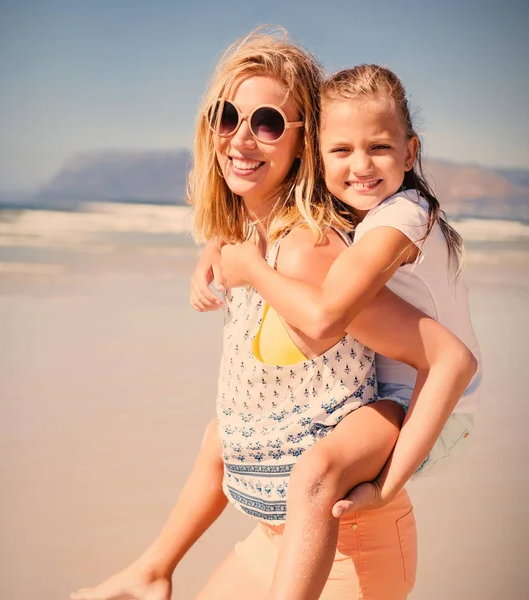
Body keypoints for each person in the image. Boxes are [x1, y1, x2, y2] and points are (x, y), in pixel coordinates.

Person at [71, 29, 476, 600]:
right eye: (226, 116)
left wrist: (386, 486)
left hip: (347, 547)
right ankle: (154, 568)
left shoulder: (310, 250)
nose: (241, 138)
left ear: (303, 144)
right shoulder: (252, 239)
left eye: (266, 123)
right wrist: (223, 249)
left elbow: (440, 355)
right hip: (274, 539)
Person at [193, 62, 482, 597]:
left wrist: (388, 483)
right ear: (318, 155)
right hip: (402, 397)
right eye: (342, 151)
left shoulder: (398, 221)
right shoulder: (364, 212)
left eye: (379, 148)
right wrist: (218, 248)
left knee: (315, 472)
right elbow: (254, 224)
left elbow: (328, 315)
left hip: (432, 406)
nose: (361, 166)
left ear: (411, 152)